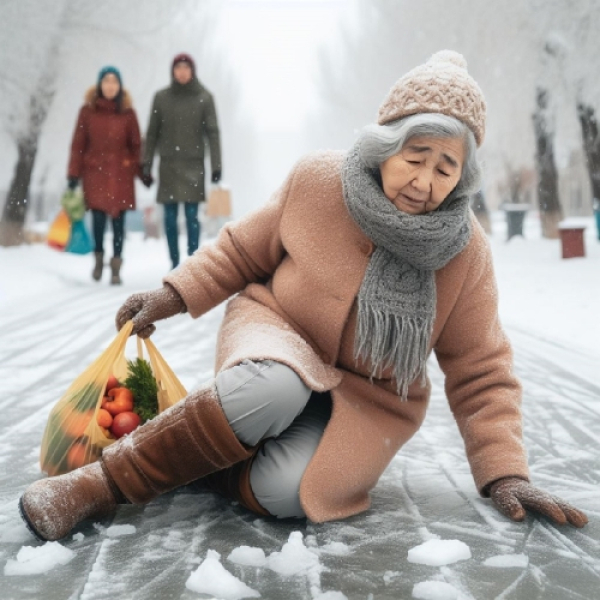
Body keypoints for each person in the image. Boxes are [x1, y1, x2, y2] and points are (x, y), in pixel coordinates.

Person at [20, 51, 588, 542]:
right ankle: (102, 483)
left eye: (446, 168)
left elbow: (481, 368)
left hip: (371, 399)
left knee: (286, 494)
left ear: (461, 179)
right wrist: (173, 294)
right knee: (274, 387)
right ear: (385, 146)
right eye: (415, 158)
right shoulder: (318, 181)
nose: (425, 180)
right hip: (278, 333)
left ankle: (198, 450)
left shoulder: (466, 253)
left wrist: (504, 471)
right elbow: (241, 251)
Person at [141, 53, 222, 270]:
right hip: (168, 165)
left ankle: (192, 262)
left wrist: (216, 166)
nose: (182, 71)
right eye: (178, 67)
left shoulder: (204, 98)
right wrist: (146, 165)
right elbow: (152, 134)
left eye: (186, 67)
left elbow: (213, 133)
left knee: (191, 215)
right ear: (173, 71)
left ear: (193, 71)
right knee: (169, 218)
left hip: (194, 165)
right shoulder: (161, 98)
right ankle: (174, 263)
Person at [67, 66, 143, 285]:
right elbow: (78, 144)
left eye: (114, 81)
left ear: (120, 86)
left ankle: (116, 266)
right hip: (95, 173)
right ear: (100, 84)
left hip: (121, 174)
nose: (110, 85)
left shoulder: (128, 113)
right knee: (98, 220)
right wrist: (73, 172)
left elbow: (137, 145)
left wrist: (139, 169)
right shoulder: (87, 111)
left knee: (119, 223)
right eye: (106, 81)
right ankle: (99, 259)